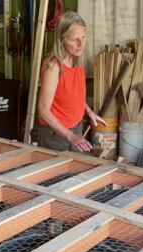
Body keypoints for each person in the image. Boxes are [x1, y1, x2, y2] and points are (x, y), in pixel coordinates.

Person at [37, 11, 106, 152]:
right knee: (57, 173)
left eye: (83, 37)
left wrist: (89, 112)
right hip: (55, 133)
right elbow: (43, 111)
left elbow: (73, 94)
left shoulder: (78, 60)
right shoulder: (53, 66)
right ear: (62, 39)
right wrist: (71, 136)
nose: (81, 44)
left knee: (75, 172)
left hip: (76, 127)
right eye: (74, 40)